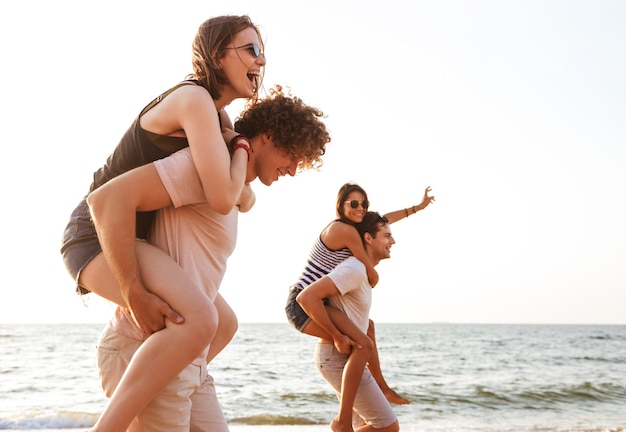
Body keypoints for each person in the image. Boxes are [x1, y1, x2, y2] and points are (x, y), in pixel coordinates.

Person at [59, 14, 329, 432]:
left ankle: (172, 378)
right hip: (95, 229)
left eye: (264, 53)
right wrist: (132, 292)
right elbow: (224, 197)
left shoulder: (218, 119)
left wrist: (238, 146)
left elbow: (245, 196)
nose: (261, 61)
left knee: (221, 322)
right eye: (251, 50)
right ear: (217, 54)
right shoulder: (195, 101)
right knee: (201, 319)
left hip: (123, 228)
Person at [285, 183, 434, 432]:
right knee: (362, 344)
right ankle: (342, 421)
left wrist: (416, 208)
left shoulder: (360, 229)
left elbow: (385, 221)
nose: (360, 208)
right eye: (353, 204)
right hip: (302, 301)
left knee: (368, 330)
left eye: (363, 204)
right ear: (341, 205)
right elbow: (362, 260)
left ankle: (373, 396)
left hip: (317, 303)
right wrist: (371, 273)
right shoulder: (345, 234)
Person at [297, 212, 400, 432]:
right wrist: (336, 335)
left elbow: (366, 327)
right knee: (387, 427)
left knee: (362, 425)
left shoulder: (361, 272)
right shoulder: (353, 269)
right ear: (368, 239)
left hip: (344, 358)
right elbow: (306, 297)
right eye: (387, 235)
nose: (393, 241)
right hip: (337, 356)